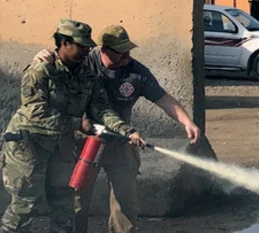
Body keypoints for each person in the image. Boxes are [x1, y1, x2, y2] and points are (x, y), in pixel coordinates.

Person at [33, 24, 202, 233]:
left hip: (121, 141)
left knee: (125, 199)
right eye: (121, 53)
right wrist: (41, 57)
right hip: (84, 143)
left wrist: (187, 122)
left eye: (129, 52)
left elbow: (163, 98)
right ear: (104, 50)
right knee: (77, 196)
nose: (126, 58)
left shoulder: (136, 72)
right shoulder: (83, 63)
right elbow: (54, 67)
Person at [1, 20, 143, 233]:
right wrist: (79, 124)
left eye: (89, 46)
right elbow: (37, 113)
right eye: (82, 46)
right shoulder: (41, 70)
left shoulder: (88, 76)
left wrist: (127, 131)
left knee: (64, 204)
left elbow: (102, 110)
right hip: (29, 146)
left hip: (62, 147)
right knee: (25, 205)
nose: (87, 50)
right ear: (64, 43)